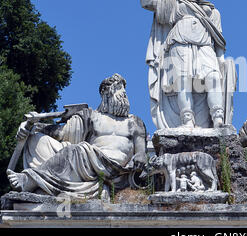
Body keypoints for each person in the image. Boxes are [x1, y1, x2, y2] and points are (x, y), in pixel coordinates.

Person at [7, 73, 147, 198]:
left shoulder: (134, 122)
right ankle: (40, 182)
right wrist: (34, 127)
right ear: (105, 93)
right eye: (118, 88)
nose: (123, 93)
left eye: (124, 89)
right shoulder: (92, 116)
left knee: (77, 150)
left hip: (117, 169)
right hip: (91, 163)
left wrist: (141, 155)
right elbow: (62, 133)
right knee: (38, 140)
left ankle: (29, 180)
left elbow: (141, 151)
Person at [141, 0, 234, 129]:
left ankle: (218, 119)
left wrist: (222, 60)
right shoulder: (174, 3)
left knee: (213, 79)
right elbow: (146, 3)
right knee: (183, 82)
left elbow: (219, 41)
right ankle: (187, 120)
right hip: (179, 45)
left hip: (205, 46)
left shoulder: (212, 11)